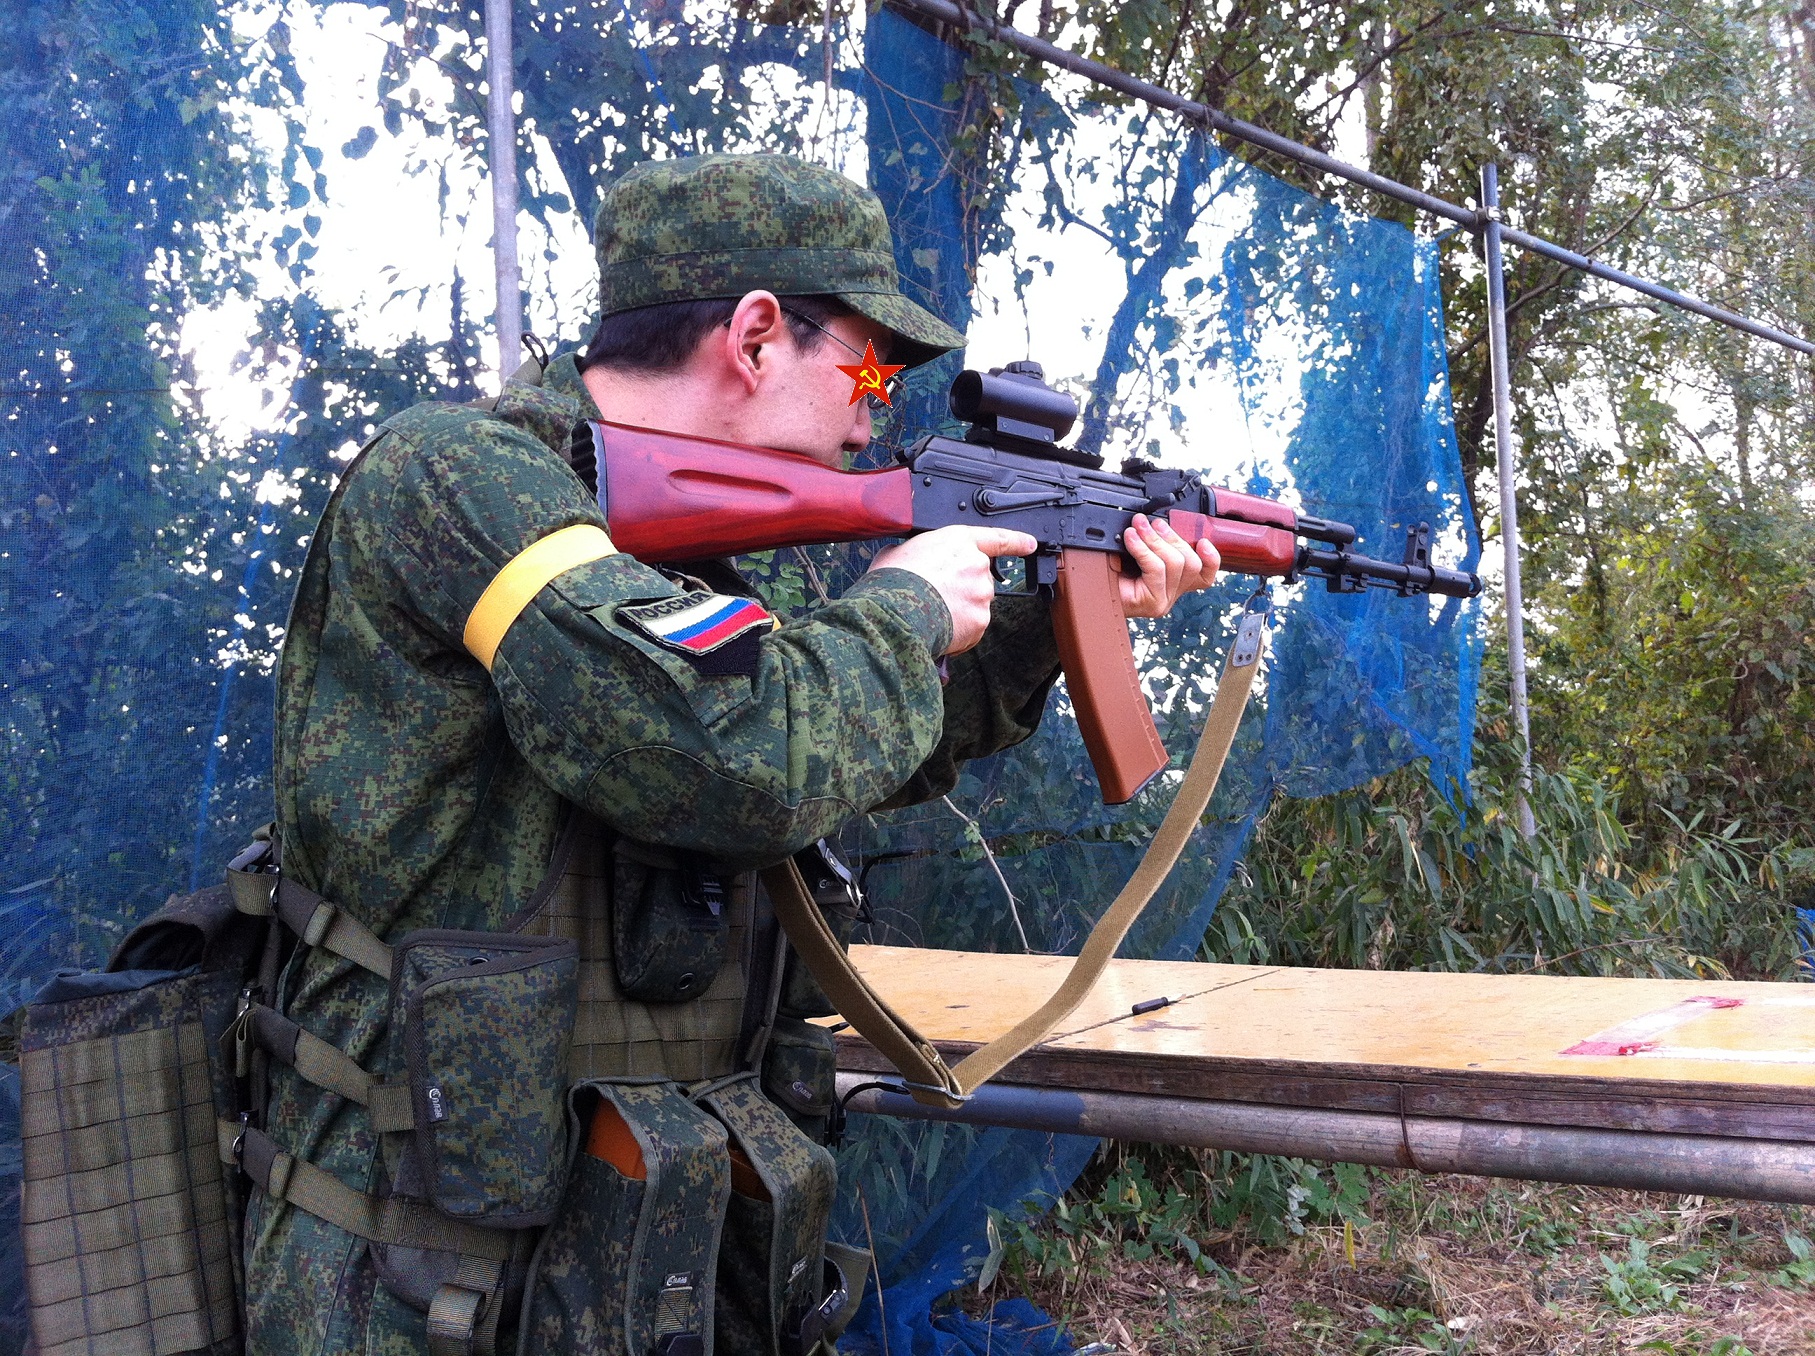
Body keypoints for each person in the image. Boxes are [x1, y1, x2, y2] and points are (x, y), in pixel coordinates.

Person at [244, 152, 1218, 1354]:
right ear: (756, 337)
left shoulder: (681, 559)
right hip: (415, 1274)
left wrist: (1051, 624)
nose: (878, 408)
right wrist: (907, 604)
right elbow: (735, 758)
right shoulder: (460, 478)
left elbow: (839, 743)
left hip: (625, 1248)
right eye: (871, 364)